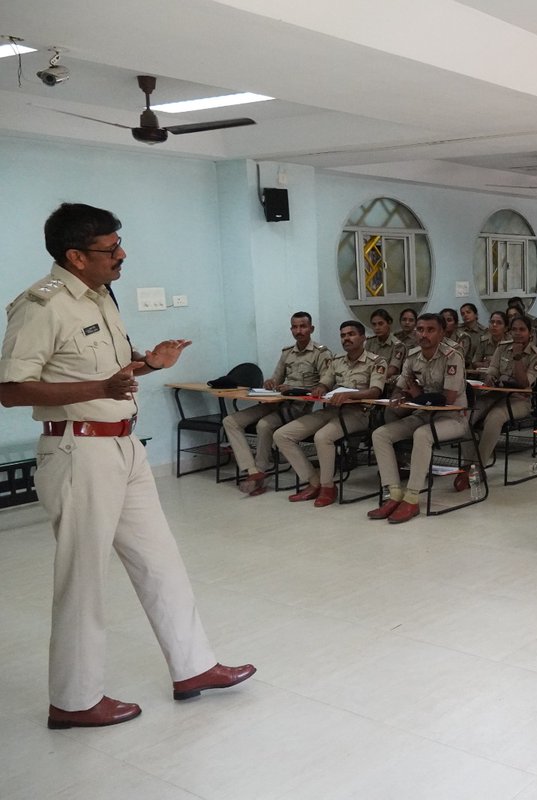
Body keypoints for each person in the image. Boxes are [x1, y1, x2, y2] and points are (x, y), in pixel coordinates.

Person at [0, 203, 254, 729]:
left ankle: (194, 667)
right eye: (110, 247)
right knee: (83, 579)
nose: (122, 254)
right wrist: (100, 387)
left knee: (161, 561)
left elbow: (108, 372)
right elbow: (11, 389)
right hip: (78, 453)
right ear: (75, 256)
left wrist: (148, 363)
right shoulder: (41, 305)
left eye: (119, 243)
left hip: (123, 446)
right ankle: (73, 701)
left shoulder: (100, 296)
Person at [369, 313, 469, 524]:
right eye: (420, 329)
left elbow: (448, 399)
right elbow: (401, 386)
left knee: (422, 435)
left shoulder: (452, 356)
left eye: (430, 330)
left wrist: (416, 394)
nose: (424, 334)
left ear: (441, 333)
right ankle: (394, 493)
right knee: (380, 434)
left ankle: (412, 498)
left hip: (452, 417)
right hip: (423, 413)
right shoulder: (413, 356)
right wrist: (399, 395)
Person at [275, 320, 386, 506]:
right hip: (332, 409)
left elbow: (375, 391)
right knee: (282, 435)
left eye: (351, 334)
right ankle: (313, 481)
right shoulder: (337, 360)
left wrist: (350, 394)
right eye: (343, 335)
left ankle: (328, 487)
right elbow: (325, 382)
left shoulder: (376, 361)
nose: (346, 338)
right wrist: (320, 388)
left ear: (363, 338)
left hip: (359, 413)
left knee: (322, 437)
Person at [222, 311, 332, 496]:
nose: (299, 331)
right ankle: (253, 471)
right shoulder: (287, 352)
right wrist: (270, 383)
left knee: (264, 425)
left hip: (298, 407)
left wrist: (295, 388)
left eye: (303, 326)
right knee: (230, 421)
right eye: (295, 327)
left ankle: (260, 473)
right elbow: (276, 379)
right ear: (291, 329)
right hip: (277, 401)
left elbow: (324, 386)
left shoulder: (321, 353)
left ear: (311, 329)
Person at [464, 314, 537, 472]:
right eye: (514, 329)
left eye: (522, 329)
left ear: (530, 333)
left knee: (494, 418)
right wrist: (490, 378)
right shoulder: (502, 347)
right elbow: (493, 369)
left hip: (519, 399)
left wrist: (517, 356)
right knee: (467, 416)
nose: (517, 333)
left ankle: (478, 467)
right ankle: (469, 462)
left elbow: (524, 383)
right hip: (495, 394)